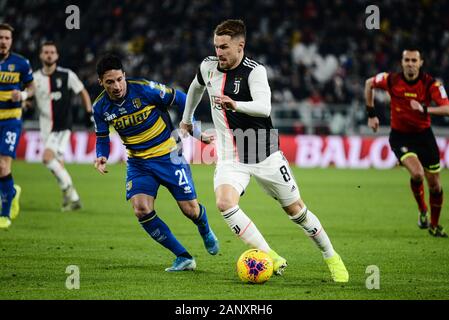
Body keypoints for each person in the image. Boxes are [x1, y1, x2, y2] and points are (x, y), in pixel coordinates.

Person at [180, 19, 348, 282]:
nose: (219, 52)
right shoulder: (208, 66)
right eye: (216, 46)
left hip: (264, 153)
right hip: (230, 155)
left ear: (240, 46)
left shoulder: (254, 71)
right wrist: (187, 119)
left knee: (297, 212)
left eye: (224, 47)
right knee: (225, 203)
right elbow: (195, 87)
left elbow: (264, 107)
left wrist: (235, 104)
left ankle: (331, 256)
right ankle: (270, 255)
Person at [93, 54, 219, 271]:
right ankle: (183, 256)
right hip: (138, 163)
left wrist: (196, 131)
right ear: (101, 83)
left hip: (169, 155)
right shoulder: (100, 107)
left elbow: (180, 98)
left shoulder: (144, 89)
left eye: (119, 79)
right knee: (141, 209)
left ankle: (204, 227)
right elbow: (102, 137)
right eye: (110, 82)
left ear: (124, 75)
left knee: (190, 210)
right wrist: (101, 154)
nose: (116, 86)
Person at [365, 47, 449, 238]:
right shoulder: (391, 80)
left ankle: (434, 225)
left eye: (414, 60)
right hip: (400, 136)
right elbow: (369, 83)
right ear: (402, 62)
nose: (410, 64)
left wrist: (424, 110)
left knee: (435, 185)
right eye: (407, 60)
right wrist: (371, 115)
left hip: (424, 136)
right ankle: (422, 211)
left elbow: (447, 109)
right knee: (418, 173)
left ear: (421, 63)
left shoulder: (431, 84)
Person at [33, 41, 92, 211]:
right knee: (57, 166)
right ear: (41, 55)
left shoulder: (67, 75)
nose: (49, 54)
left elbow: (82, 91)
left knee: (46, 158)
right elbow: (30, 97)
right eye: (46, 52)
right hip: (45, 127)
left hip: (61, 126)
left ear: (57, 55)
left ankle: (68, 191)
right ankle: (73, 199)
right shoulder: (35, 77)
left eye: (52, 52)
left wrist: (88, 112)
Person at [0, 23, 35, 229]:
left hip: (11, 120)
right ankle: (11, 192)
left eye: (6, 38)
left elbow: (32, 87)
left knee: (3, 166)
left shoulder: (20, 63)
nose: (3, 41)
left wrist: (22, 95)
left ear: (11, 41)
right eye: (0, 37)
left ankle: (4, 215)